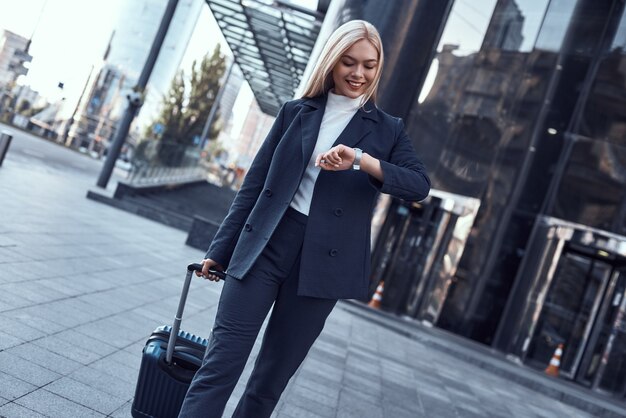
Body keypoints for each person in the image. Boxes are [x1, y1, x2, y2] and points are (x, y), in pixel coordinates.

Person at [178, 19, 430, 418]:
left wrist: (361, 161)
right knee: (219, 365)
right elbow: (254, 187)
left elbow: (419, 185)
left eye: (368, 64)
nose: (358, 74)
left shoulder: (388, 130)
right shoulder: (296, 112)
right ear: (332, 61)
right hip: (265, 247)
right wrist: (220, 250)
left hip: (323, 265)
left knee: (268, 384)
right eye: (349, 62)